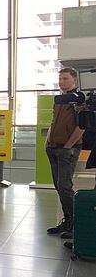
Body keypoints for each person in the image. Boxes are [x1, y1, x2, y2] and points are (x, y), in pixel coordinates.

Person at [45, 68, 84, 239]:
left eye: (65, 78)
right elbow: (54, 121)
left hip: (67, 149)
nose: (61, 82)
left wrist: (68, 146)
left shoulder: (79, 100)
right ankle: (68, 222)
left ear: (74, 80)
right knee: (59, 187)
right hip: (53, 147)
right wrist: (48, 141)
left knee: (65, 187)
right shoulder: (60, 100)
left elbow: (82, 126)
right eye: (60, 78)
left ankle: (77, 225)